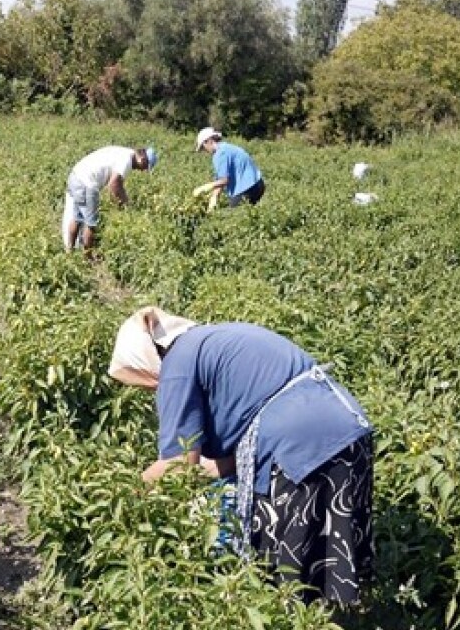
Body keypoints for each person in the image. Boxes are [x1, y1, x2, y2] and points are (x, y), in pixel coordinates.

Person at [108, 307, 374, 604]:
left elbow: (178, 466)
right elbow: (227, 460)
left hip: (294, 448)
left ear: (145, 359)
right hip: (348, 432)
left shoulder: (178, 363)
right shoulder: (218, 338)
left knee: (284, 583)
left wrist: (124, 494)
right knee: (328, 568)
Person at [61, 145, 158, 253]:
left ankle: (69, 251)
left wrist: (120, 198)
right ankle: (88, 257)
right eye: (145, 167)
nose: (142, 170)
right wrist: (126, 204)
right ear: (143, 159)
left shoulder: (126, 153)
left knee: (77, 218)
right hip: (87, 184)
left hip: (77, 175)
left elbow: (116, 185)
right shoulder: (127, 160)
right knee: (92, 224)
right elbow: (114, 185)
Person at [192, 127, 265, 210]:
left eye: (203, 147)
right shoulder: (225, 147)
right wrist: (214, 197)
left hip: (246, 188)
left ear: (209, 141)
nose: (204, 150)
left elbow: (224, 180)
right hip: (258, 184)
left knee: (233, 217)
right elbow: (220, 178)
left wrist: (205, 187)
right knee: (247, 213)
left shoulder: (220, 154)